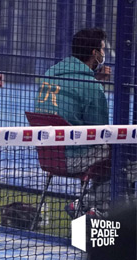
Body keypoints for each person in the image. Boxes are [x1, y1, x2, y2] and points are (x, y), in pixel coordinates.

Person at [34, 27, 111, 216]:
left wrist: (94, 81)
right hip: (73, 158)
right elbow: (100, 132)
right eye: (102, 49)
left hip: (47, 155)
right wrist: (95, 86)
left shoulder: (51, 72)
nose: (104, 53)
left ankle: (92, 207)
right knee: (120, 157)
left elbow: (75, 90)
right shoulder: (91, 87)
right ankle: (91, 206)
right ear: (94, 53)